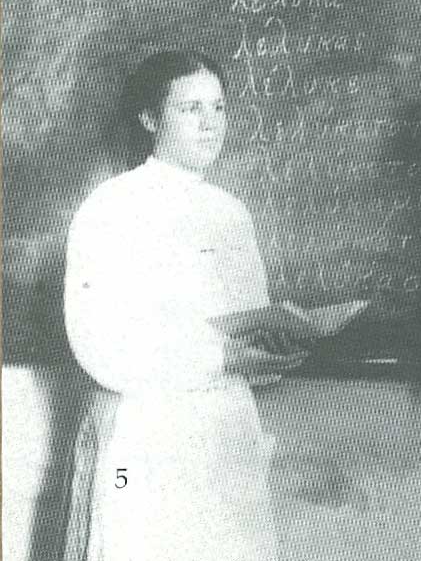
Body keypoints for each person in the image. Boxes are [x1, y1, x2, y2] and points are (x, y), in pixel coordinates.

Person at [62, 50, 305, 561]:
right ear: (150, 118)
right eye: (190, 109)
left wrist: (274, 349)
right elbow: (102, 344)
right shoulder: (112, 207)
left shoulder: (230, 213)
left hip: (228, 433)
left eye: (218, 108)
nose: (210, 124)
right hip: (152, 434)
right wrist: (220, 358)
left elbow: (246, 323)